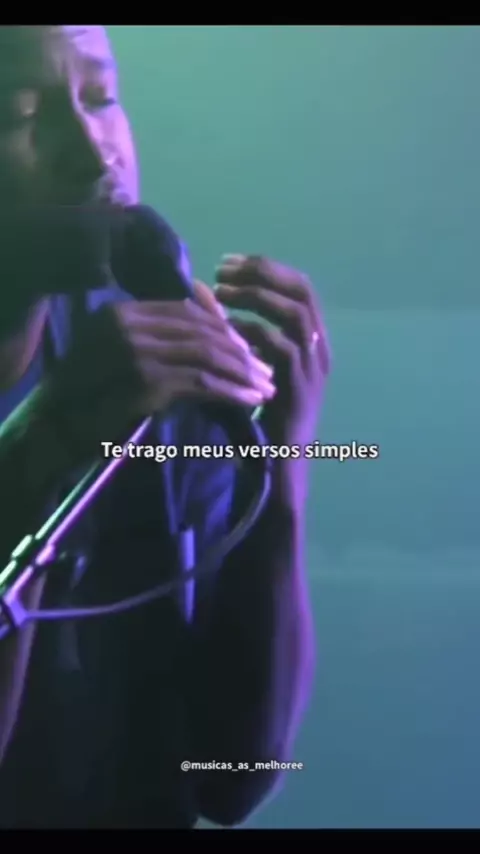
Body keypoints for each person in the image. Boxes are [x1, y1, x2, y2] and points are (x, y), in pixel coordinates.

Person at [0, 25, 330, 828]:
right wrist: (40, 460)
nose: (94, 154)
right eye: (23, 114)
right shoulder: (100, 386)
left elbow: (237, 773)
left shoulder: (146, 361)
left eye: (101, 98)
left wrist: (279, 470)